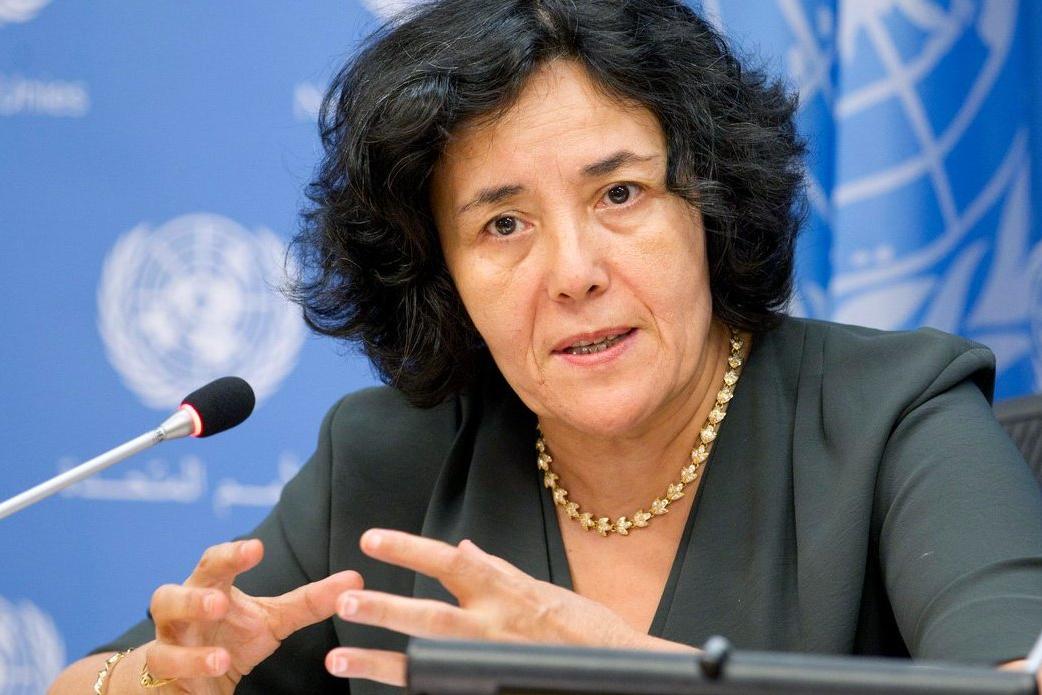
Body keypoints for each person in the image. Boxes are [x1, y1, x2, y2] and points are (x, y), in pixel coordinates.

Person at [49, 0, 1042, 693]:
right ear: (440, 270)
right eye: (502, 224)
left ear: (708, 201)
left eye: (620, 193)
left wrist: (631, 672)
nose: (573, 271)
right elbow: (84, 681)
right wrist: (164, 675)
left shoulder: (894, 414)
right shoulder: (389, 460)